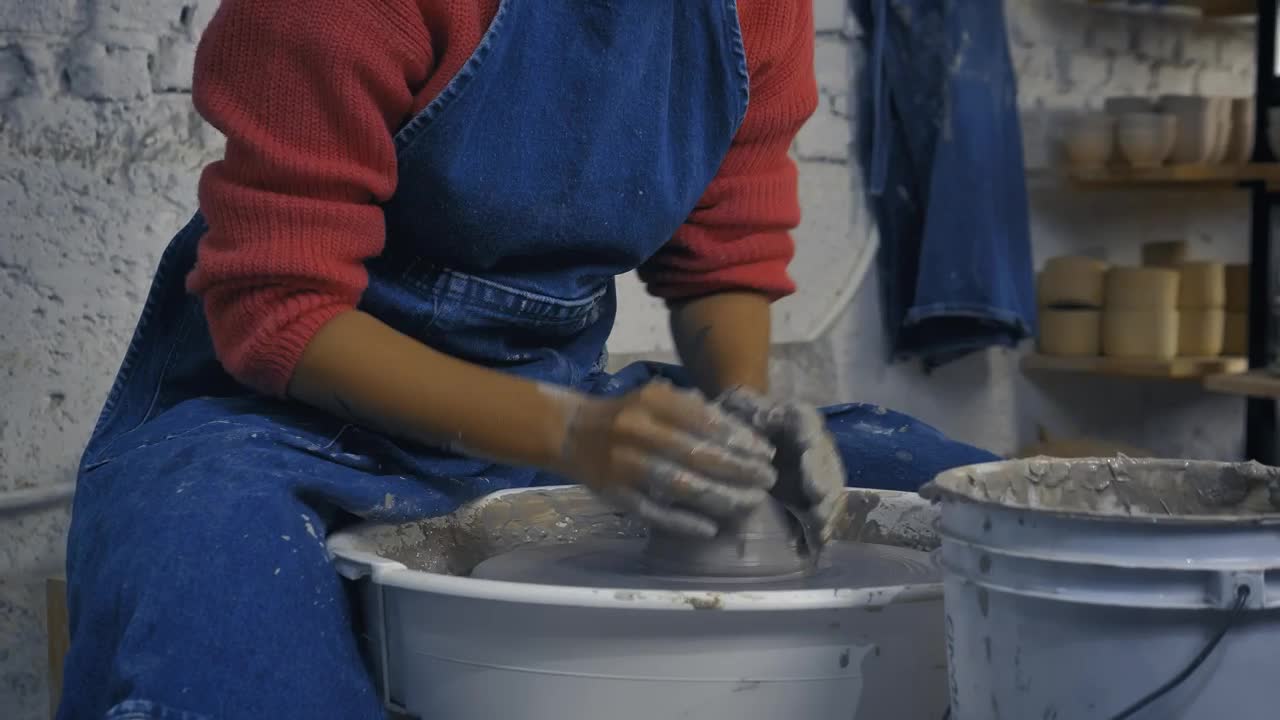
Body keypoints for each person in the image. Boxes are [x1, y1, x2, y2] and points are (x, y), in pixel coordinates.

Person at [60, 1, 997, 718]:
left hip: (550, 398)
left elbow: (726, 249)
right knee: (221, 621)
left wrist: (745, 413)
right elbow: (280, 309)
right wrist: (574, 436)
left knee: (966, 499)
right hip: (276, 423)